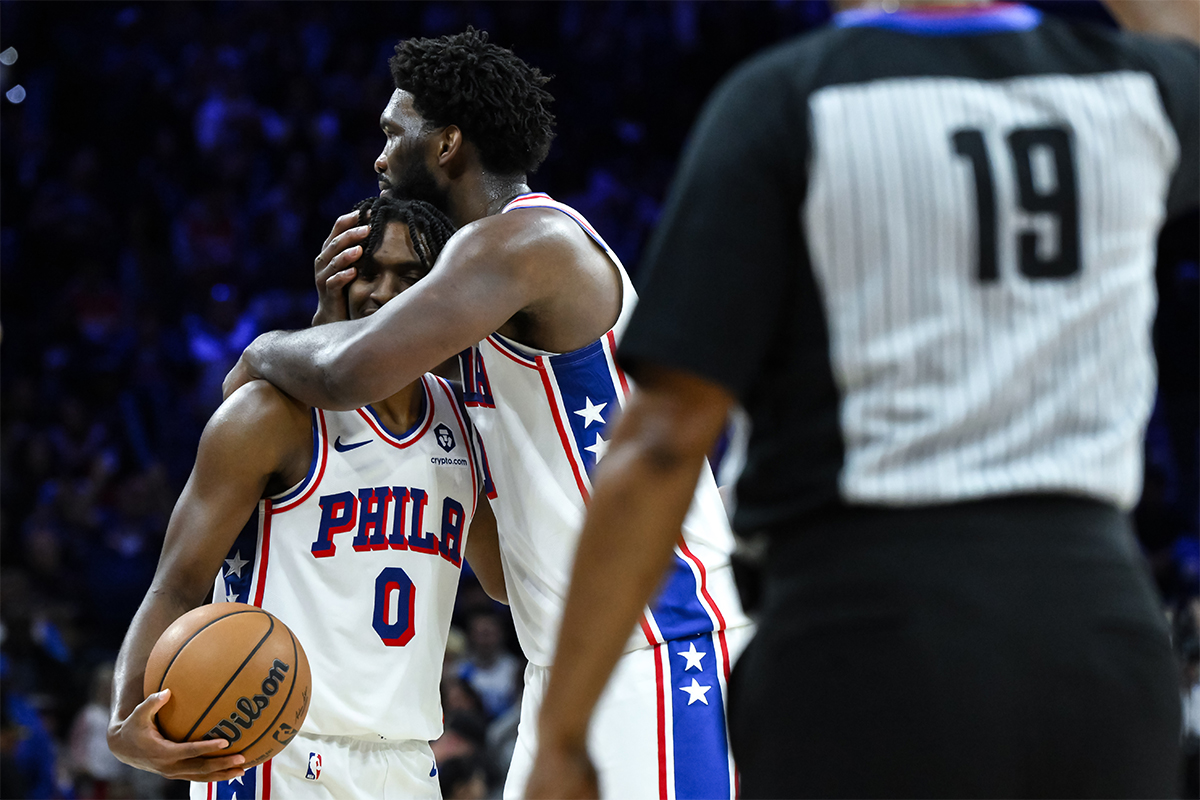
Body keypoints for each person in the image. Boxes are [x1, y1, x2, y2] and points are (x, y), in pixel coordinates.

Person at [526, 1, 1199, 798]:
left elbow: (666, 440)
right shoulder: (1136, 92)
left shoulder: (784, 102)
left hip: (868, 635)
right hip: (1097, 639)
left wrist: (563, 735)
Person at [225, 27, 752, 799]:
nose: (377, 158)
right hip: (565, 660)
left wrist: (265, 348)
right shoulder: (475, 301)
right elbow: (500, 577)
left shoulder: (526, 241)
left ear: (446, 144)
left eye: (391, 133)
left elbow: (345, 372)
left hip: (659, 645)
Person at [107, 196, 506, 799]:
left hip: (405, 761)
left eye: (409, 275)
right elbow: (177, 582)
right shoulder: (273, 413)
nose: (381, 292)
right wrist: (121, 723)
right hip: (273, 751)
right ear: (335, 273)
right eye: (368, 270)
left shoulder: (466, 423)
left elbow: (502, 579)